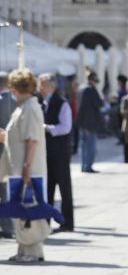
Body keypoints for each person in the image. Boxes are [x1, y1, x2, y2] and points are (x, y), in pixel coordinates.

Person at [0, 69, 50, 262]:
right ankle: (24, 248)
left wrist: (27, 166)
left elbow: (31, 140)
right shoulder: (24, 106)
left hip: (27, 168)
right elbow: (18, 136)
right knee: (20, 208)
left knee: (29, 208)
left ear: (16, 87)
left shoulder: (29, 107)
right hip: (18, 167)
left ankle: (33, 250)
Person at [38, 74, 74, 233]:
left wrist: (47, 128)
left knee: (64, 188)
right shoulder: (41, 102)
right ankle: (46, 221)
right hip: (47, 151)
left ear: (51, 86)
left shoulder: (62, 103)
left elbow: (66, 127)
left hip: (60, 152)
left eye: (42, 85)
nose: (40, 88)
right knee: (48, 188)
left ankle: (67, 223)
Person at [75, 72, 105, 173]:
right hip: (90, 122)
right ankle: (88, 166)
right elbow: (100, 103)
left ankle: (84, 165)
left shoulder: (80, 88)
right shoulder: (91, 89)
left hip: (81, 120)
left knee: (83, 145)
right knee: (90, 146)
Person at [0, 72, 16, 238]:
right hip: (12, 150)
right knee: (6, 190)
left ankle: (6, 226)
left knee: (3, 191)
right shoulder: (15, 101)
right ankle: (8, 226)